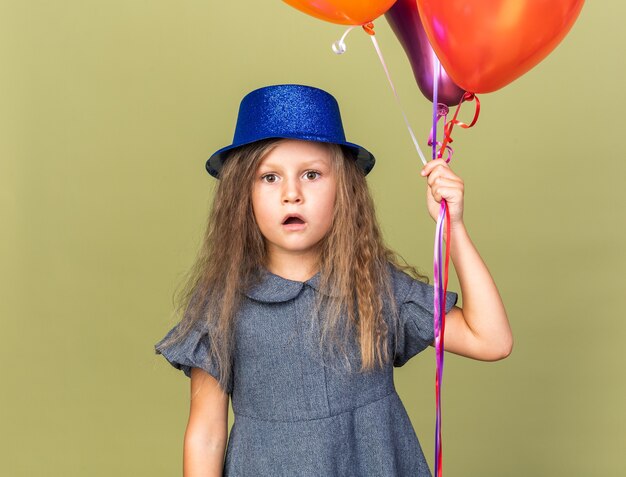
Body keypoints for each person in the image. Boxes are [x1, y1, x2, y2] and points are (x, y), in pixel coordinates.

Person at [154, 84, 513, 477]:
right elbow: (206, 434)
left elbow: (491, 339)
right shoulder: (221, 306)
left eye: (311, 174)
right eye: (269, 178)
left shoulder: (373, 287)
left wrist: (453, 227)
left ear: (344, 189)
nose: (292, 194)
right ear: (243, 195)